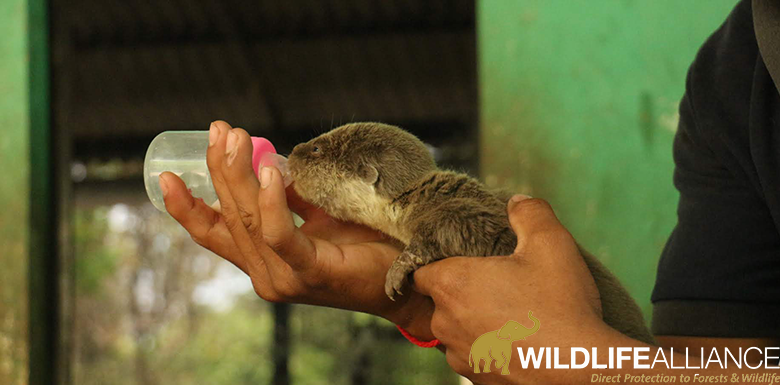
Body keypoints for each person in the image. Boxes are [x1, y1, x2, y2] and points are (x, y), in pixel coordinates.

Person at [160, 1, 780, 383]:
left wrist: (593, 367)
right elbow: (714, 368)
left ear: (372, 179)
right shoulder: (732, 80)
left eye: (323, 159)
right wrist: (418, 305)